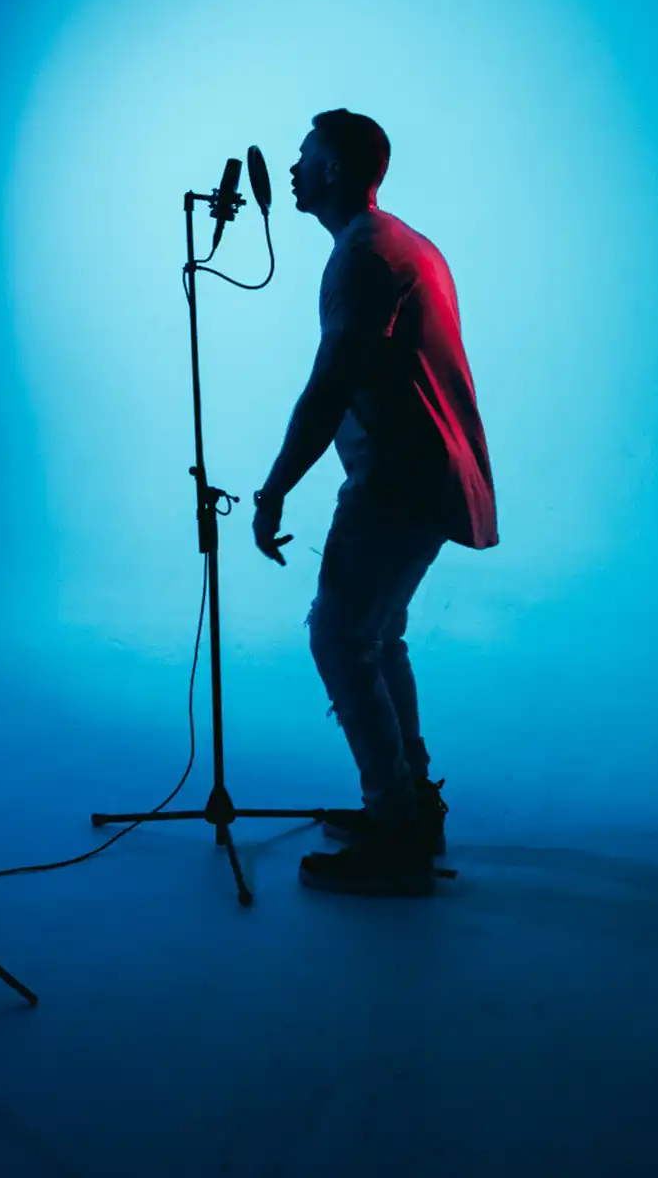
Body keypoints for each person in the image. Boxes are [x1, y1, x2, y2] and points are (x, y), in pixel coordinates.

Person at [249, 109, 496, 898]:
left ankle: (396, 828)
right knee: (376, 635)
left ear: (332, 169)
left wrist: (274, 487)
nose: (291, 168)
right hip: (418, 475)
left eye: (303, 155)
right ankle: (408, 803)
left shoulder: (364, 256)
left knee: (339, 635)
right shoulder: (398, 243)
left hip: (400, 478)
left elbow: (331, 387)